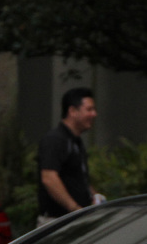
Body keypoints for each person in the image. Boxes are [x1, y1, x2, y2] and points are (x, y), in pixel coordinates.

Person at [37, 87, 101, 224]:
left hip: (74, 220)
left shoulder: (75, 141)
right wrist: (76, 209)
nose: (94, 114)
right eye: (89, 109)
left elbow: (78, 178)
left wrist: (95, 196)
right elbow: (49, 178)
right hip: (57, 222)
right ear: (72, 111)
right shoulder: (55, 139)